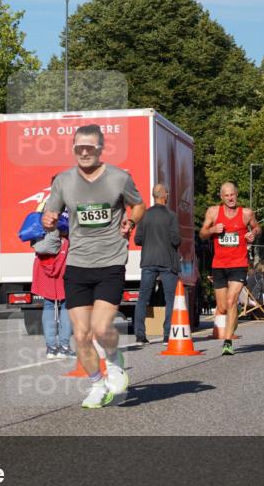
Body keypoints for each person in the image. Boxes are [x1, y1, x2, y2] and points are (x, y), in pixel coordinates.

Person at [42, 124, 145, 409]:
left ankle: (114, 364)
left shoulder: (119, 178)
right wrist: (47, 220)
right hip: (77, 264)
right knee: (80, 336)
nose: (84, 152)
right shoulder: (63, 181)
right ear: (73, 149)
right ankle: (97, 384)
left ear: (100, 149)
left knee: (100, 329)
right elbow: (49, 212)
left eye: (90, 147)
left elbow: (138, 205)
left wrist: (131, 220)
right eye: (79, 148)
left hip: (110, 260)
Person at [199, 182, 261, 356]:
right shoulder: (213, 212)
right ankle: (232, 322)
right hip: (219, 264)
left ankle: (227, 342)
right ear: (221, 197)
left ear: (237, 194)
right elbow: (202, 234)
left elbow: (257, 227)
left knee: (231, 300)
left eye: (233, 194)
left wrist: (253, 234)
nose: (230, 198)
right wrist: (212, 229)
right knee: (222, 306)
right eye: (227, 195)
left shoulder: (246, 213)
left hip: (239, 263)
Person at [133, 183, 181, 344]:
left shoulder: (145, 215)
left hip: (148, 261)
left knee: (143, 298)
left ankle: (140, 335)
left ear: (154, 196)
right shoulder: (171, 216)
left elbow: (138, 239)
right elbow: (176, 239)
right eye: (167, 193)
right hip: (167, 261)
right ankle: (167, 334)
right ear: (165, 195)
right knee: (170, 298)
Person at [31, 224, 74, 359]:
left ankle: (51, 348)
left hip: (43, 267)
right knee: (67, 304)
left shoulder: (41, 221)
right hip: (64, 265)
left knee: (49, 304)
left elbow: (33, 244)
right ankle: (64, 347)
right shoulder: (64, 216)